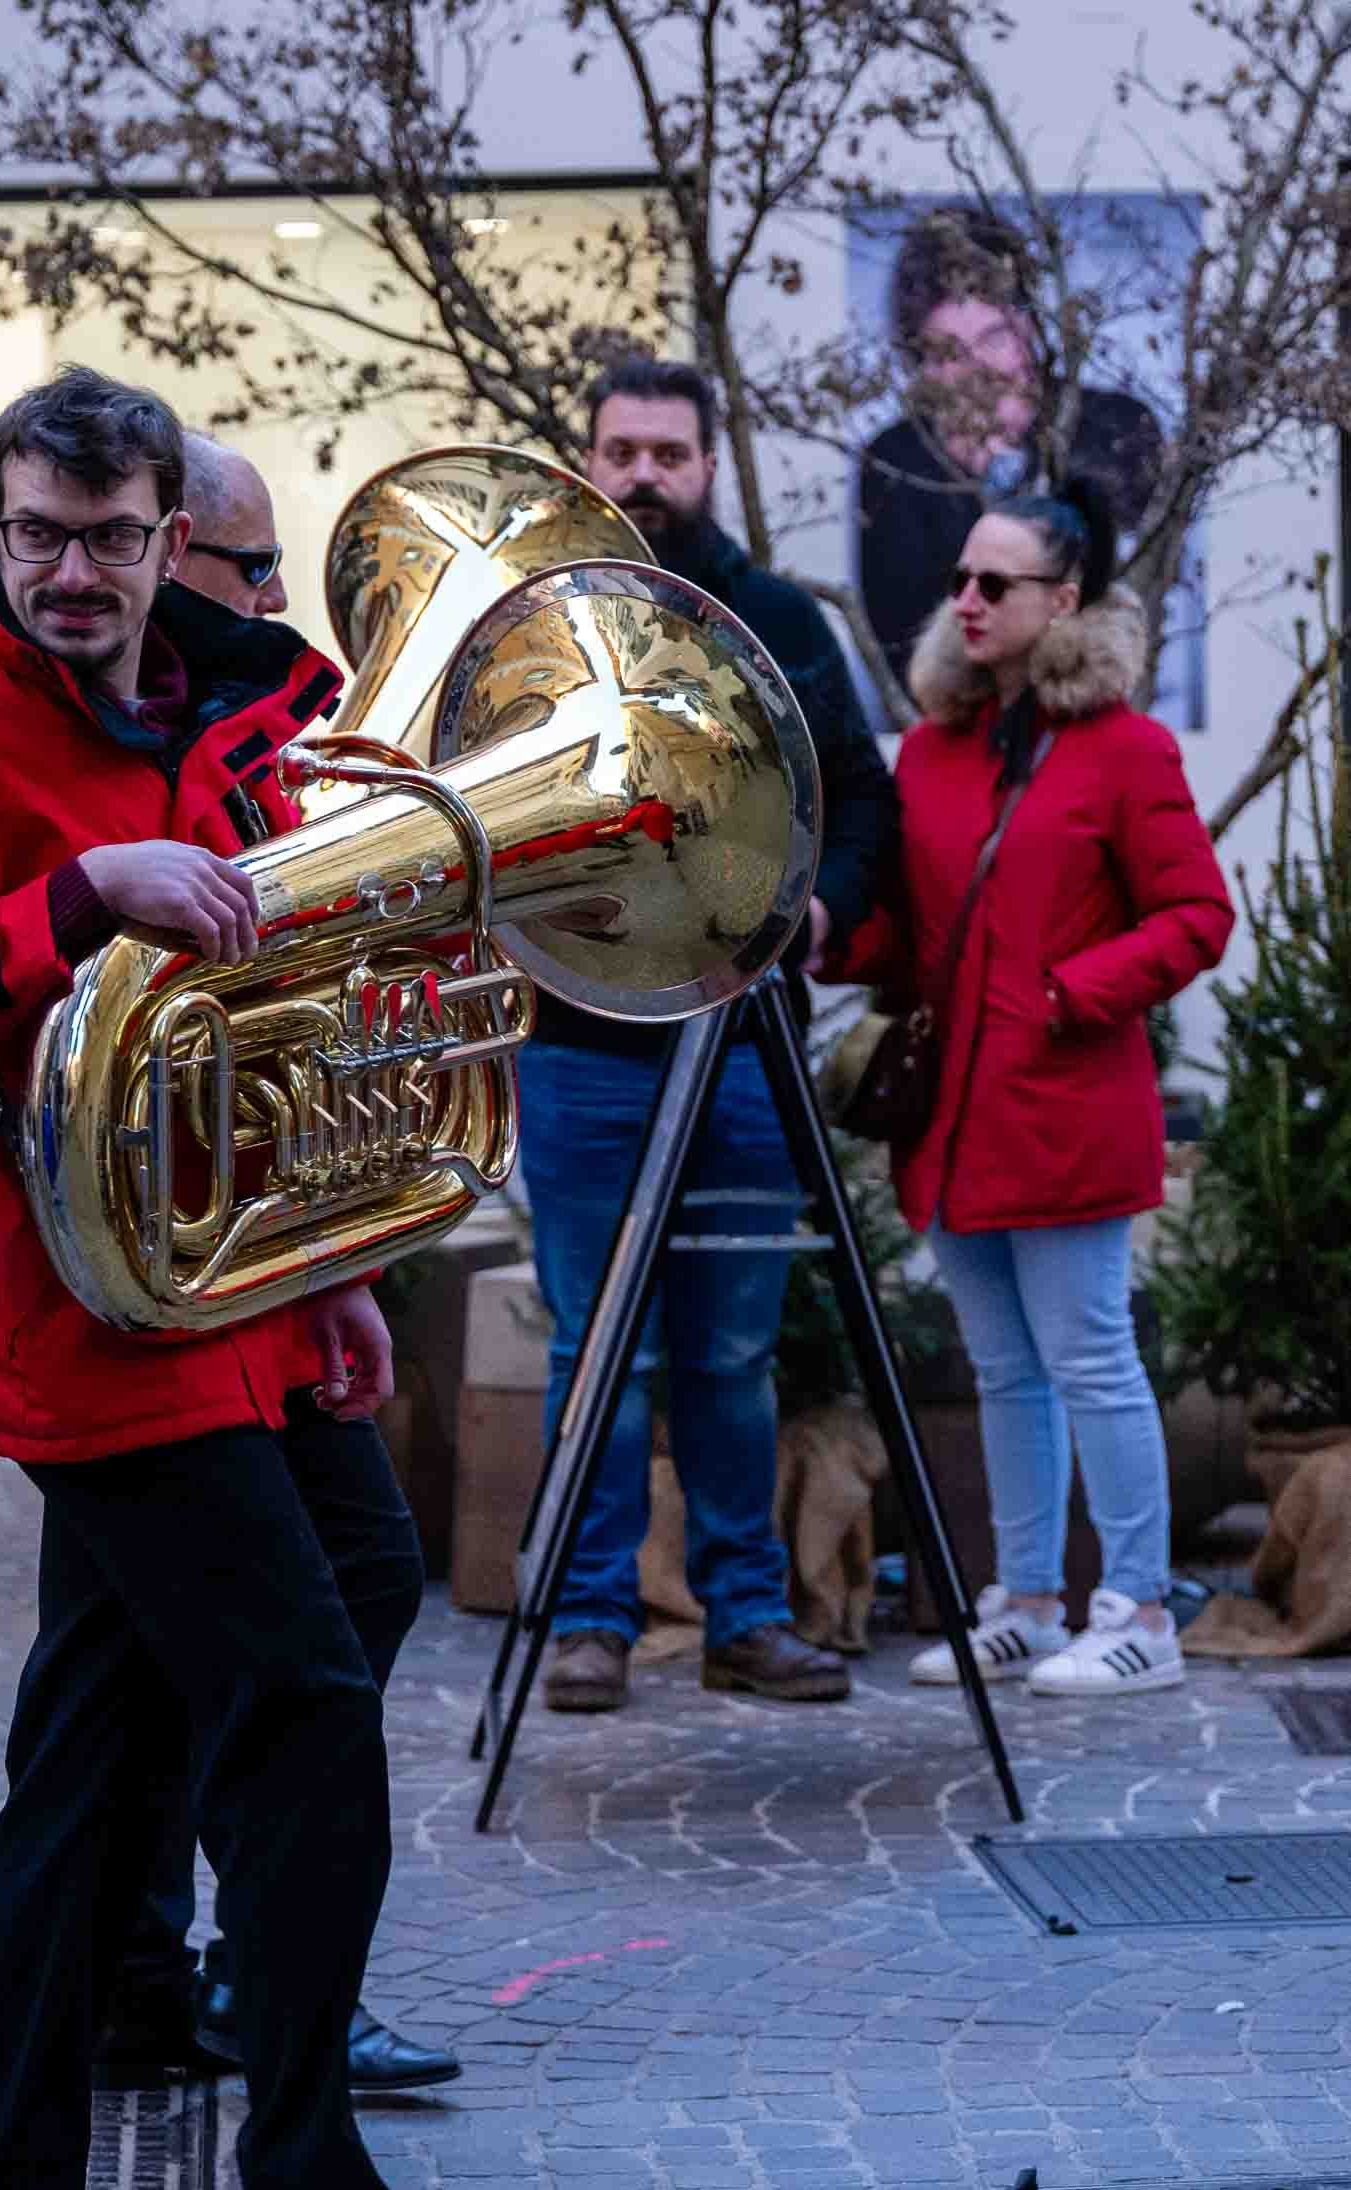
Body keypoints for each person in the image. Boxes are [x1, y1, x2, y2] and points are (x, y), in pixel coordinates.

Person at [0, 364, 535, 2190]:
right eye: (41, 535)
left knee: (111, 1744)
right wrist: (71, 898)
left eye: (112, 539)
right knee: (301, 1696)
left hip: (226, 1299)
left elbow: (264, 1021)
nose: (75, 571)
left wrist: (327, 1264)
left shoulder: (202, 716)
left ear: (164, 541)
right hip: (92, 1321)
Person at [103, 431, 461, 2097]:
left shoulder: (258, 715)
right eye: (250, 569)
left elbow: (300, 998)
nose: (271, 598)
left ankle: (167, 1981)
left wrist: (340, 1268)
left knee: (175, 1639)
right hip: (163, 1261)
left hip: (253, 1249)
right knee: (308, 1614)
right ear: (175, 550)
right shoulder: (164, 725)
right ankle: (256, 1983)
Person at [522, 350, 897, 1716]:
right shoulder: (535, 624)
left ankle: (746, 1614)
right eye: (620, 451)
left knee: (732, 1355)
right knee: (595, 1350)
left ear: (708, 465)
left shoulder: (779, 619)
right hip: (576, 1046)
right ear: (588, 459)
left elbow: (862, 799)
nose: (643, 477)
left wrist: (818, 908)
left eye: (667, 455)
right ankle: (589, 1621)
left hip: (742, 1052)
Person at [832, 475, 1232, 1696]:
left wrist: (1071, 991)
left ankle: (1142, 1611)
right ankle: (1027, 1601)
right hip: (953, 1118)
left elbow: (1197, 914)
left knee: (1092, 1359)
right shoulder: (932, 752)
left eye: (994, 582)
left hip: (1064, 1112)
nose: (965, 600)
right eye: (959, 578)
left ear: (1063, 600)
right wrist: (830, 938)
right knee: (1003, 1370)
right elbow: (912, 928)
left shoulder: (1127, 750)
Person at [857, 210, 1164, 698]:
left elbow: (1134, 595)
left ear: (1030, 330)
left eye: (994, 338)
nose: (979, 369)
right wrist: (965, 477)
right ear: (923, 366)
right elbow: (904, 652)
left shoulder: (1116, 429)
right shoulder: (895, 462)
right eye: (950, 352)